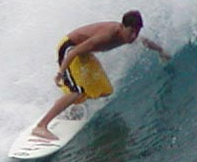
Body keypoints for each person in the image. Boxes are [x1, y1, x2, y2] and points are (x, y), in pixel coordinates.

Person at [31, 10, 170, 140]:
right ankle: (41, 126)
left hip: (84, 53)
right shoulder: (107, 34)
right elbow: (74, 52)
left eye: (137, 32)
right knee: (76, 92)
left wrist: (161, 51)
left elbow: (145, 42)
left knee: (105, 91)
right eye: (131, 31)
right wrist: (61, 73)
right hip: (70, 48)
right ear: (122, 26)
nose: (134, 36)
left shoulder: (130, 35)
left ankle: (71, 108)